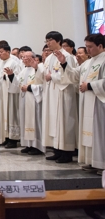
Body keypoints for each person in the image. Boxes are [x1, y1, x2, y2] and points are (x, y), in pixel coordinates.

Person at [58, 34, 105, 173]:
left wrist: (90, 86)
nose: (88, 50)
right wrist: (64, 63)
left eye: (90, 47)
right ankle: (91, 161)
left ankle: (101, 163)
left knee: (99, 133)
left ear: (101, 46)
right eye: (86, 47)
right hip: (87, 102)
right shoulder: (88, 62)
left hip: (99, 103)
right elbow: (74, 76)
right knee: (88, 133)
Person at [37, 31, 78, 163]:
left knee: (63, 122)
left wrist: (52, 77)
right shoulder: (49, 57)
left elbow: (71, 76)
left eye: (50, 40)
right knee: (53, 122)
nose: (48, 43)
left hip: (63, 93)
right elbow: (45, 74)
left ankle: (66, 153)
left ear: (58, 41)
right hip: (52, 93)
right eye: (46, 41)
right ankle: (57, 150)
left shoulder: (67, 56)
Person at [10, 49, 45, 155]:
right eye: (23, 57)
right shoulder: (23, 71)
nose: (24, 59)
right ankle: (28, 144)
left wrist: (30, 88)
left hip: (34, 100)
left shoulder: (40, 68)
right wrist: (11, 76)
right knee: (25, 121)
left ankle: (37, 146)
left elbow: (44, 85)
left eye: (27, 57)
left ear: (34, 58)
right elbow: (17, 84)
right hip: (24, 99)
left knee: (35, 122)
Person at [0, 43, 22, 149]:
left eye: (2, 52)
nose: (0, 54)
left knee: (12, 115)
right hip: (3, 92)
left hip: (11, 93)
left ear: (8, 52)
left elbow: (18, 77)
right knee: (4, 115)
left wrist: (8, 76)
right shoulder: (0, 62)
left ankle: (13, 139)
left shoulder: (14, 62)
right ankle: (6, 137)